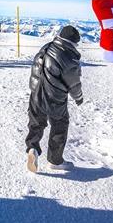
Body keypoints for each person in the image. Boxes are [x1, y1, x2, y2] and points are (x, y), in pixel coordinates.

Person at [25, 25, 83, 173]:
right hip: (54, 98)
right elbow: (74, 83)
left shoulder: (47, 47)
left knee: (36, 123)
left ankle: (33, 149)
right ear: (72, 42)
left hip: (36, 93)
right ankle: (55, 161)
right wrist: (78, 97)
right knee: (60, 126)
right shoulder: (68, 56)